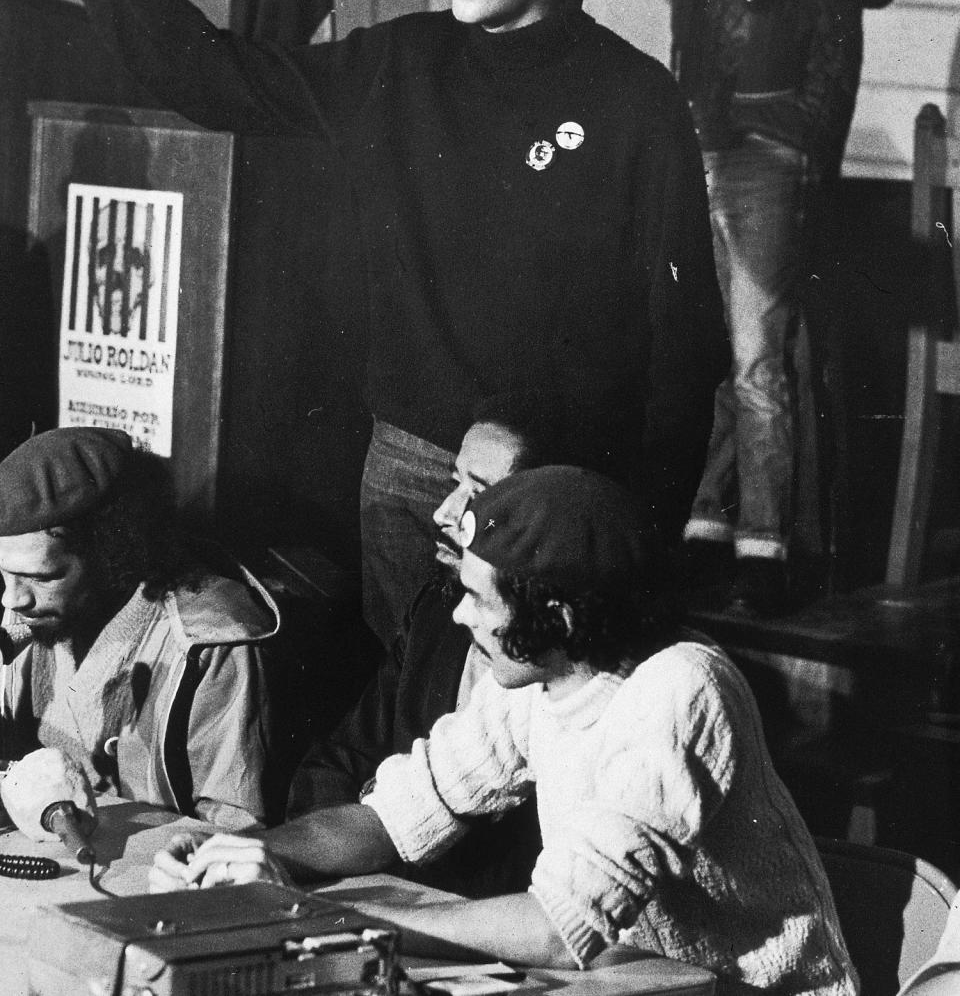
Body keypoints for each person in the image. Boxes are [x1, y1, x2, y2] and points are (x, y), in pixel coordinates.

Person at [0, 0, 728, 647]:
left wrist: (646, 528)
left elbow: (684, 339)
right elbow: (213, 76)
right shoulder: (399, 64)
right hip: (409, 469)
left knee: (537, 717)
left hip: (554, 484)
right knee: (409, 706)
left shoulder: (636, 101)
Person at [150, 466, 857, 994]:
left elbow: (557, 926)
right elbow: (395, 815)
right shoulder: (539, 677)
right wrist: (249, 851)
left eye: (477, 600)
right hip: (637, 982)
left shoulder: (681, 686)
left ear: (562, 615)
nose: (458, 617)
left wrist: (342, 926)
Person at [672, 0, 901, 616]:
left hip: (772, 159)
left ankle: (764, 552)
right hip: (706, 153)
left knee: (759, 360)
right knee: (724, 361)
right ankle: (706, 530)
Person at [287, 396, 560, 898]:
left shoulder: (589, 683)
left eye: (477, 494)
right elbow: (342, 764)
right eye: (454, 483)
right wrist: (277, 857)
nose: (443, 512)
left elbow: (556, 917)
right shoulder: (440, 612)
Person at [0, 426, 279, 829]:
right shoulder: (32, 608)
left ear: (111, 552)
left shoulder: (212, 641)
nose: (13, 600)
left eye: (43, 577)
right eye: (4, 574)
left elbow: (236, 830)